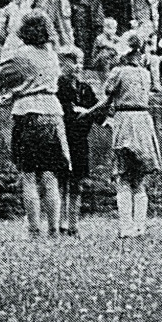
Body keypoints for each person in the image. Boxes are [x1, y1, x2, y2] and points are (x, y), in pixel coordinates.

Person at [0, 11, 70, 238]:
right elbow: (35, 82)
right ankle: (54, 229)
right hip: (53, 114)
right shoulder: (52, 56)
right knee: (49, 175)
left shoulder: (21, 55)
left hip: (28, 113)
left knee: (29, 175)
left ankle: (34, 228)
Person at [83, 33, 162, 237]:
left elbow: (106, 101)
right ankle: (140, 226)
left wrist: (87, 113)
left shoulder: (118, 72)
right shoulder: (145, 73)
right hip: (144, 120)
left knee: (123, 175)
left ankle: (126, 227)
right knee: (139, 177)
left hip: (125, 120)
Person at [56, 45, 98, 237]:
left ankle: (73, 224)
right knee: (61, 182)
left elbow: (97, 112)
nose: (77, 67)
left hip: (80, 141)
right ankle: (60, 222)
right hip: (62, 139)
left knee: (76, 184)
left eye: (79, 62)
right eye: (72, 62)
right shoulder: (56, 87)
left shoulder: (85, 88)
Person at [71, 0, 106, 68]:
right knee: (82, 38)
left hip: (95, 15)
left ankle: (93, 62)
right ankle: (83, 63)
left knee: (95, 37)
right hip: (83, 14)